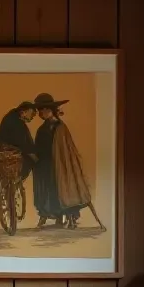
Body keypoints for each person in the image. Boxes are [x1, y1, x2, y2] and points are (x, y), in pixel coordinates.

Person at [31, 92, 93, 228]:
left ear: (49, 110)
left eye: (43, 110)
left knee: (62, 188)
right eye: (39, 110)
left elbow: (65, 149)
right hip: (44, 165)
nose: (40, 113)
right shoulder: (42, 129)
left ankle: (68, 218)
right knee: (46, 189)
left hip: (58, 165)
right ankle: (52, 215)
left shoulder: (60, 127)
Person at [0, 101, 37, 178]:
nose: (34, 116)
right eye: (32, 113)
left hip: (8, 160)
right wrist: (35, 158)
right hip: (9, 160)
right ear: (23, 112)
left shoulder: (14, 118)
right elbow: (23, 144)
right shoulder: (15, 122)